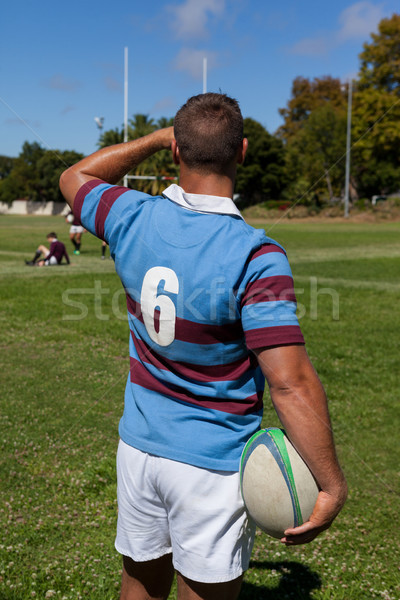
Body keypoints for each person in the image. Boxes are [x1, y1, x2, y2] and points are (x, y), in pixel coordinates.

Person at [59, 93, 347, 600]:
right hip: (212, 462)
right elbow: (289, 382)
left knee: (140, 585)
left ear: (175, 151)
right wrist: (332, 484)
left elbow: (74, 178)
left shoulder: (129, 215)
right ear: (243, 150)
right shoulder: (257, 256)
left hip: (139, 448)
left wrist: (153, 138)